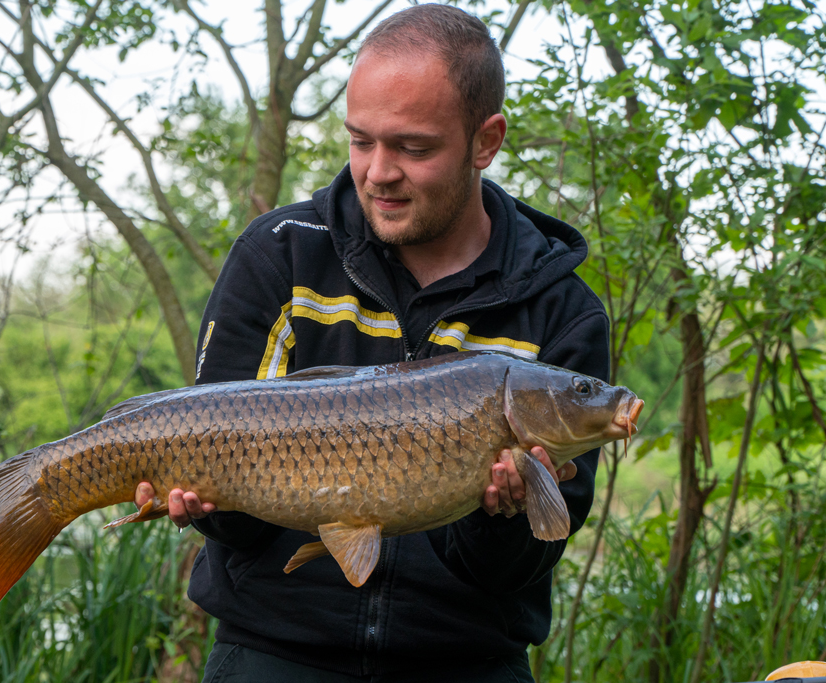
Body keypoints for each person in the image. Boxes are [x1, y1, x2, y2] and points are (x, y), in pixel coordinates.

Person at [133, 5, 609, 681]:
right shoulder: (281, 256)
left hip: (468, 660)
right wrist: (212, 506)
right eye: (361, 141)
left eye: (413, 148)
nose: (378, 172)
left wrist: (499, 514)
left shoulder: (562, 311)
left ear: (486, 140)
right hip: (274, 652)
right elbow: (236, 519)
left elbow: (522, 564)